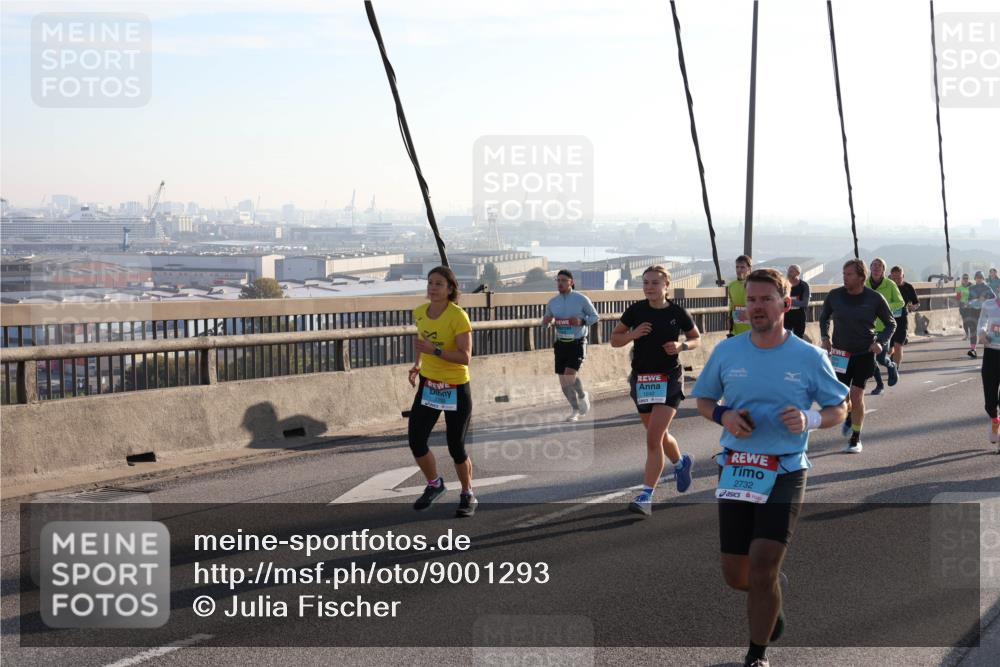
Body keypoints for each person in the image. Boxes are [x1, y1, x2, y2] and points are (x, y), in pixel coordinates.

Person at [692, 268, 848, 667]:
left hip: (786, 469)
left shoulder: (808, 357)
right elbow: (705, 401)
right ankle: (770, 595)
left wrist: (811, 420)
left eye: (765, 299)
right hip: (738, 466)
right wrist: (724, 416)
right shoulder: (728, 351)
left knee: (761, 564)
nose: (756, 307)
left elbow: (838, 407)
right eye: (751, 300)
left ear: (786, 304)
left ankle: (756, 655)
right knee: (736, 575)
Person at [611, 265, 700, 516]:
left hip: (669, 378)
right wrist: (632, 334)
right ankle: (681, 463)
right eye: (646, 282)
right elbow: (614, 339)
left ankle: (645, 496)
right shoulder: (636, 311)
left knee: (652, 437)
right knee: (658, 435)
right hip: (642, 379)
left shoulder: (677, 312)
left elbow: (696, 338)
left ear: (666, 286)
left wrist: (682, 346)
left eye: (655, 283)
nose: (649, 287)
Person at [407, 266, 477, 517]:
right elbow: (422, 342)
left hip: (455, 386)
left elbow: (465, 357)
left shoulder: (458, 317)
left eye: (438, 284)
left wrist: (434, 351)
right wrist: (418, 364)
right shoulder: (420, 313)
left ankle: (467, 493)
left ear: (450, 289)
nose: (432, 288)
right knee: (416, 439)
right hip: (430, 385)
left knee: (455, 446)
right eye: (430, 283)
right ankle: (435, 484)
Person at [818, 258, 896, 453]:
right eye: (844, 274)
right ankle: (850, 413)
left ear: (861, 277)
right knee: (841, 397)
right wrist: (825, 337)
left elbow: (890, 323)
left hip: (864, 352)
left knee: (857, 393)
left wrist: (879, 342)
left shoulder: (874, 298)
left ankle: (855, 437)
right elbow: (824, 317)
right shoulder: (835, 296)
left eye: (849, 274)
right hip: (840, 353)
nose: (845, 278)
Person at [542, 270, 600, 422]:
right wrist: (547, 322)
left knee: (569, 375)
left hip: (577, 342)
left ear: (571, 282)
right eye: (558, 280)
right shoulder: (553, 302)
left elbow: (595, 317)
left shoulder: (581, 299)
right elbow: (546, 324)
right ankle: (575, 410)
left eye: (563, 280)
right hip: (561, 344)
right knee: (563, 381)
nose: (560, 283)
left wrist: (582, 322)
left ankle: (582, 395)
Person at [866, 258, 904, 394]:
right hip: (867, 327)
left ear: (883, 269)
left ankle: (891, 365)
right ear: (870, 268)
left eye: (879, 266)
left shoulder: (890, 284)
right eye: (874, 265)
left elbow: (900, 302)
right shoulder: (864, 284)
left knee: (881, 358)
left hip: (885, 327)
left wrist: (885, 308)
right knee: (870, 358)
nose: (876, 268)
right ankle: (879, 385)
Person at [976, 294, 1000, 450]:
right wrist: (982, 334)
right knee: (990, 401)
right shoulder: (988, 304)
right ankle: (995, 420)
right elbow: (982, 323)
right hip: (991, 354)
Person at [888, 266, 920, 369]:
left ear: (903, 276)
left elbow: (917, 303)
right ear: (890, 277)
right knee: (889, 349)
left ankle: (895, 370)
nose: (896, 280)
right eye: (894, 278)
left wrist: (912, 307)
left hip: (902, 320)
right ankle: (892, 355)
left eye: (899, 278)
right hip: (887, 320)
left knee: (898, 345)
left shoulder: (908, 287)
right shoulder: (887, 286)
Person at [966, 271, 997, 359]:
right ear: (975, 278)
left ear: (983, 278)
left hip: (984, 311)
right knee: (973, 330)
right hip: (973, 311)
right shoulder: (971, 288)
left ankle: (988, 350)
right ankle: (973, 350)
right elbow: (969, 300)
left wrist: (985, 298)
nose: (979, 279)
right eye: (977, 278)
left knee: (984, 331)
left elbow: (994, 299)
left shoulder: (987, 288)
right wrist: (973, 301)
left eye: (980, 278)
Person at [728, 255, 753, 337]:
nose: (739, 270)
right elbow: (731, 307)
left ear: (749, 268)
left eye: (742, 267)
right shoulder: (731, 285)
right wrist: (729, 323)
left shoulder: (754, 285)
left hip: (752, 333)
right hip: (736, 332)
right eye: (737, 267)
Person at [784, 264, 810, 339]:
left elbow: (805, 303)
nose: (788, 273)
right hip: (786, 317)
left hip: (799, 317)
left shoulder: (804, 286)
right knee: (786, 338)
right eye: (788, 271)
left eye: (791, 271)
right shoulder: (784, 285)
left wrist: (789, 301)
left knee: (798, 339)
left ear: (798, 273)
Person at [957, 274, 975, 358]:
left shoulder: (972, 286)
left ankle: (972, 333)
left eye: (966, 278)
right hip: (962, 306)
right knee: (964, 320)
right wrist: (961, 300)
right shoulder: (959, 287)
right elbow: (957, 297)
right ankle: (967, 334)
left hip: (970, 306)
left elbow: (975, 295)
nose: (965, 280)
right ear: (962, 279)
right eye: (964, 278)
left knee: (970, 320)